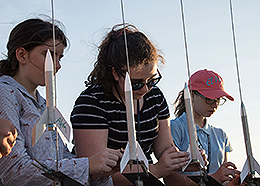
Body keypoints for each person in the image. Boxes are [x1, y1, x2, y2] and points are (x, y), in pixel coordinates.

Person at [70, 24, 200, 186]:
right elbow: (95, 174)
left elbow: (164, 148)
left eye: (152, 80)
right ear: (115, 73)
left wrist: (182, 159)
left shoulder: (155, 96)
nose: (146, 89)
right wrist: (157, 170)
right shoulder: (91, 102)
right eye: (136, 83)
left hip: (147, 179)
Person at [0, 18, 122, 186]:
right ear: (22, 55)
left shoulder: (43, 104)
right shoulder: (5, 93)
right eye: (49, 55)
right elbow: (13, 171)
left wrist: (99, 171)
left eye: (60, 57)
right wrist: (88, 165)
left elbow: (60, 159)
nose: (57, 65)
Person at [170, 69, 240, 185]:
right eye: (209, 99)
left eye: (218, 100)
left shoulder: (221, 135)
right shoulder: (175, 127)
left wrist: (233, 183)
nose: (215, 105)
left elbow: (223, 179)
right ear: (191, 95)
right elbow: (170, 177)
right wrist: (211, 181)